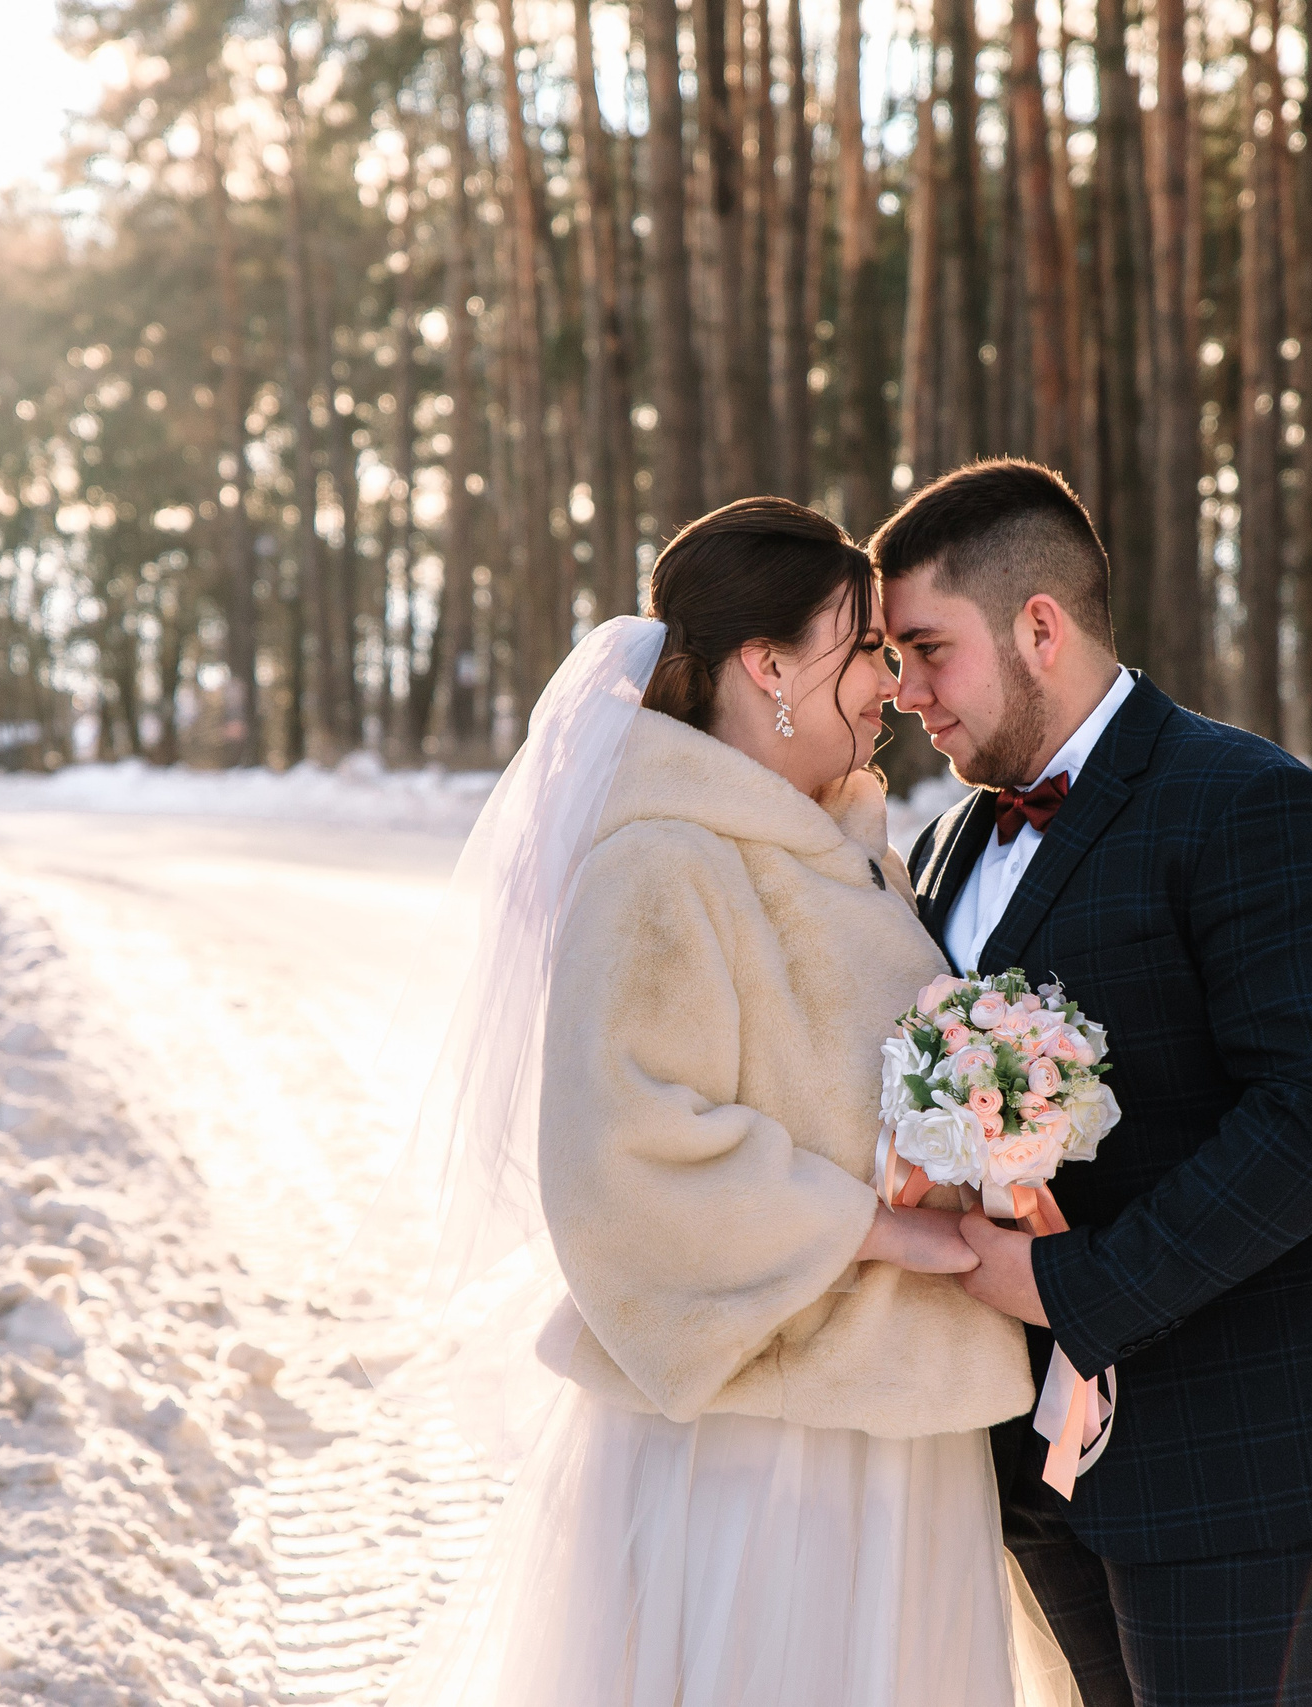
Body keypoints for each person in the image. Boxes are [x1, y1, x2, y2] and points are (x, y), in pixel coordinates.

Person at [380, 496, 1061, 1707]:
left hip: (895, 1431)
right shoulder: (663, 856)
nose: (890, 688)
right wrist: (882, 1227)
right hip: (774, 1453)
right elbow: (626, 1155)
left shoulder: (841, 847)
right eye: (862, 651)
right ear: (768, 666)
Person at [872, 459, 1312, 1707]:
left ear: (1039, 626)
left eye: (926, 651)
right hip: (1031, 1457)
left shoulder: (1255, 807)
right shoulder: (948, 841)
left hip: (1243, 1448)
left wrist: (1073, 1286)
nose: (904, 693)